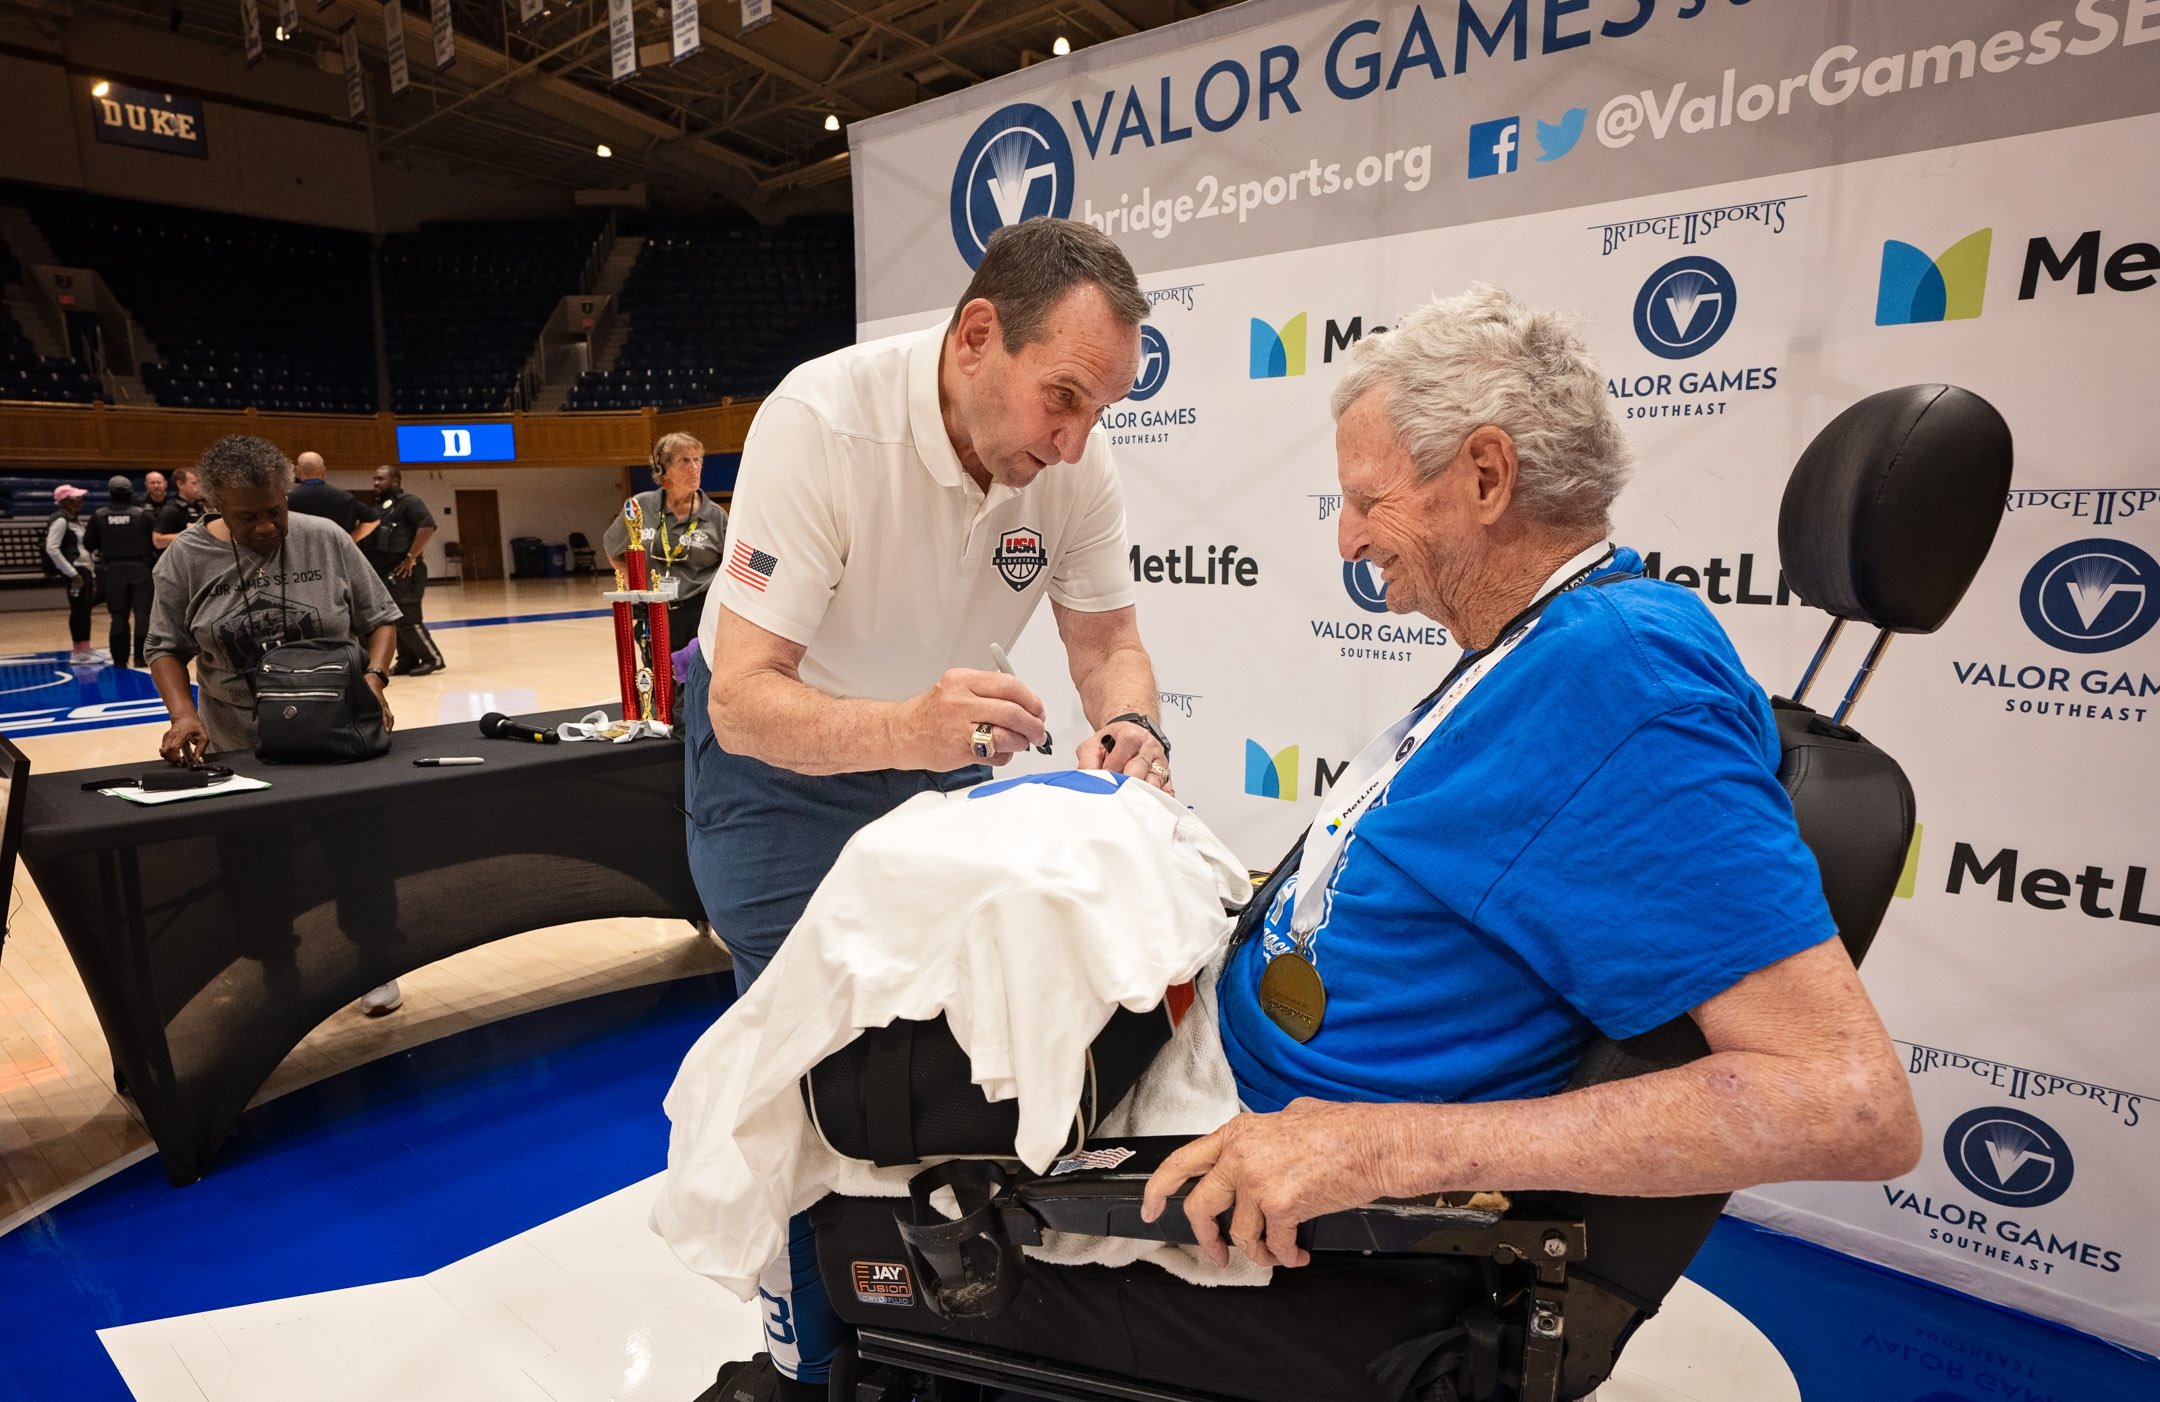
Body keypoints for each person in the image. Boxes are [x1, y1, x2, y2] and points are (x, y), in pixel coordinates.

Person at [1011, 287, 1911, 1389]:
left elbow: (1847, 1100)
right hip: (1241, 1103)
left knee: (878, 1207)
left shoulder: (1623, 675)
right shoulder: (1545, 643)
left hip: (1334, 1240)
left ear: (1486, 476)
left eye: (1366, 501)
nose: (1345, 539)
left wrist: (1380, 1146)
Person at [690, 217, 1172, 1400]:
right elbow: (749, 700)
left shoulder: (1069, 463)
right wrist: (908, 730)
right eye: (1062, 397)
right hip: (779, 767)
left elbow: (1108, 641)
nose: (1072, 442)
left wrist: (1136, 724)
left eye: (1097, 410)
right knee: (802, 1076)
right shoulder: (821, 420)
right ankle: (807, 1355)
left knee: (938, 1069)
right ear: (974, 338)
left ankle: (932, 1335)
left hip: (938, 744)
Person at [145, 435, 407, 1017]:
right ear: (214, 504)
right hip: (242, 746)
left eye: (274, 510)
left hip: (337, 742)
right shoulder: (183, 559)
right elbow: (164, 646)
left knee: (357, 855)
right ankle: (279, 970)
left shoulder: (326, 537)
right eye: (247, 517)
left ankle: (375, 961)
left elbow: (383, 618)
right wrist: (183, 715)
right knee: (257, 872)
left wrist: (374, 679)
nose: (266, 527)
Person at [603, 432, 727, 655]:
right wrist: (633, 580)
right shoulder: (640, 507)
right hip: (654, 613)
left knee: (695, 685)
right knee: (657, 684)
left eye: (698, 459)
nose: (694, 467)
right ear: (664, 469)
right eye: (685, 460)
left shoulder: (716, 516)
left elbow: (734, 562)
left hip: (699, 614)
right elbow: (612, 546)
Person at [367, 466, 443, 676]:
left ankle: (432, 658)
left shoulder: (410, 503)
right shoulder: (381, 507)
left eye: (380, 479)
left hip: (405, 572)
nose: (375, 483)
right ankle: (408, 659)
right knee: (393, 620)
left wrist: (412, 557)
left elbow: (427, 526)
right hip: (384, 573)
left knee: (408, 619)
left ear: (394, 481)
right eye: (374, 478)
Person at [82, 474, 156, 668]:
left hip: (113, 570)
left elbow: (89, 543)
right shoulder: (143, 515)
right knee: (143, 615)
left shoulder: (99, 516)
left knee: (118, 616)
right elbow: (154, 542)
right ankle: (142, 658)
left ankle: (120, 659)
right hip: (141, 569)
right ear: (131, 493)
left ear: (110, 493)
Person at [44, 484, 100, 663]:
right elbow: (52, 548)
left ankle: (86, 648)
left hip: (84, 569)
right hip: (75, 570)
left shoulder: (74, 519)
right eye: (77, 499)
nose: (81, 502)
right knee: (78, 610)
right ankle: (78, 651)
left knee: (85, 610)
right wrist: (71, 573)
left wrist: (91, 573)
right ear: (66, 502)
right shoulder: (60, 520)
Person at [287, 451, 380, 547]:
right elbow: (373, 520)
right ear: (323, 471)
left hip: (302, 553)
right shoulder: (345, 497)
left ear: (297, 471)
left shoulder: (288, 499)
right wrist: (350, 541)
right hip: (337, 553)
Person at [151, 466, 208, 552]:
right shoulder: (171, 509)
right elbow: (157, 541)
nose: (199, 487)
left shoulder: (199, 506)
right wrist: (190, 534)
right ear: (180, 484)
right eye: (194, 483)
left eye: (200, 483)